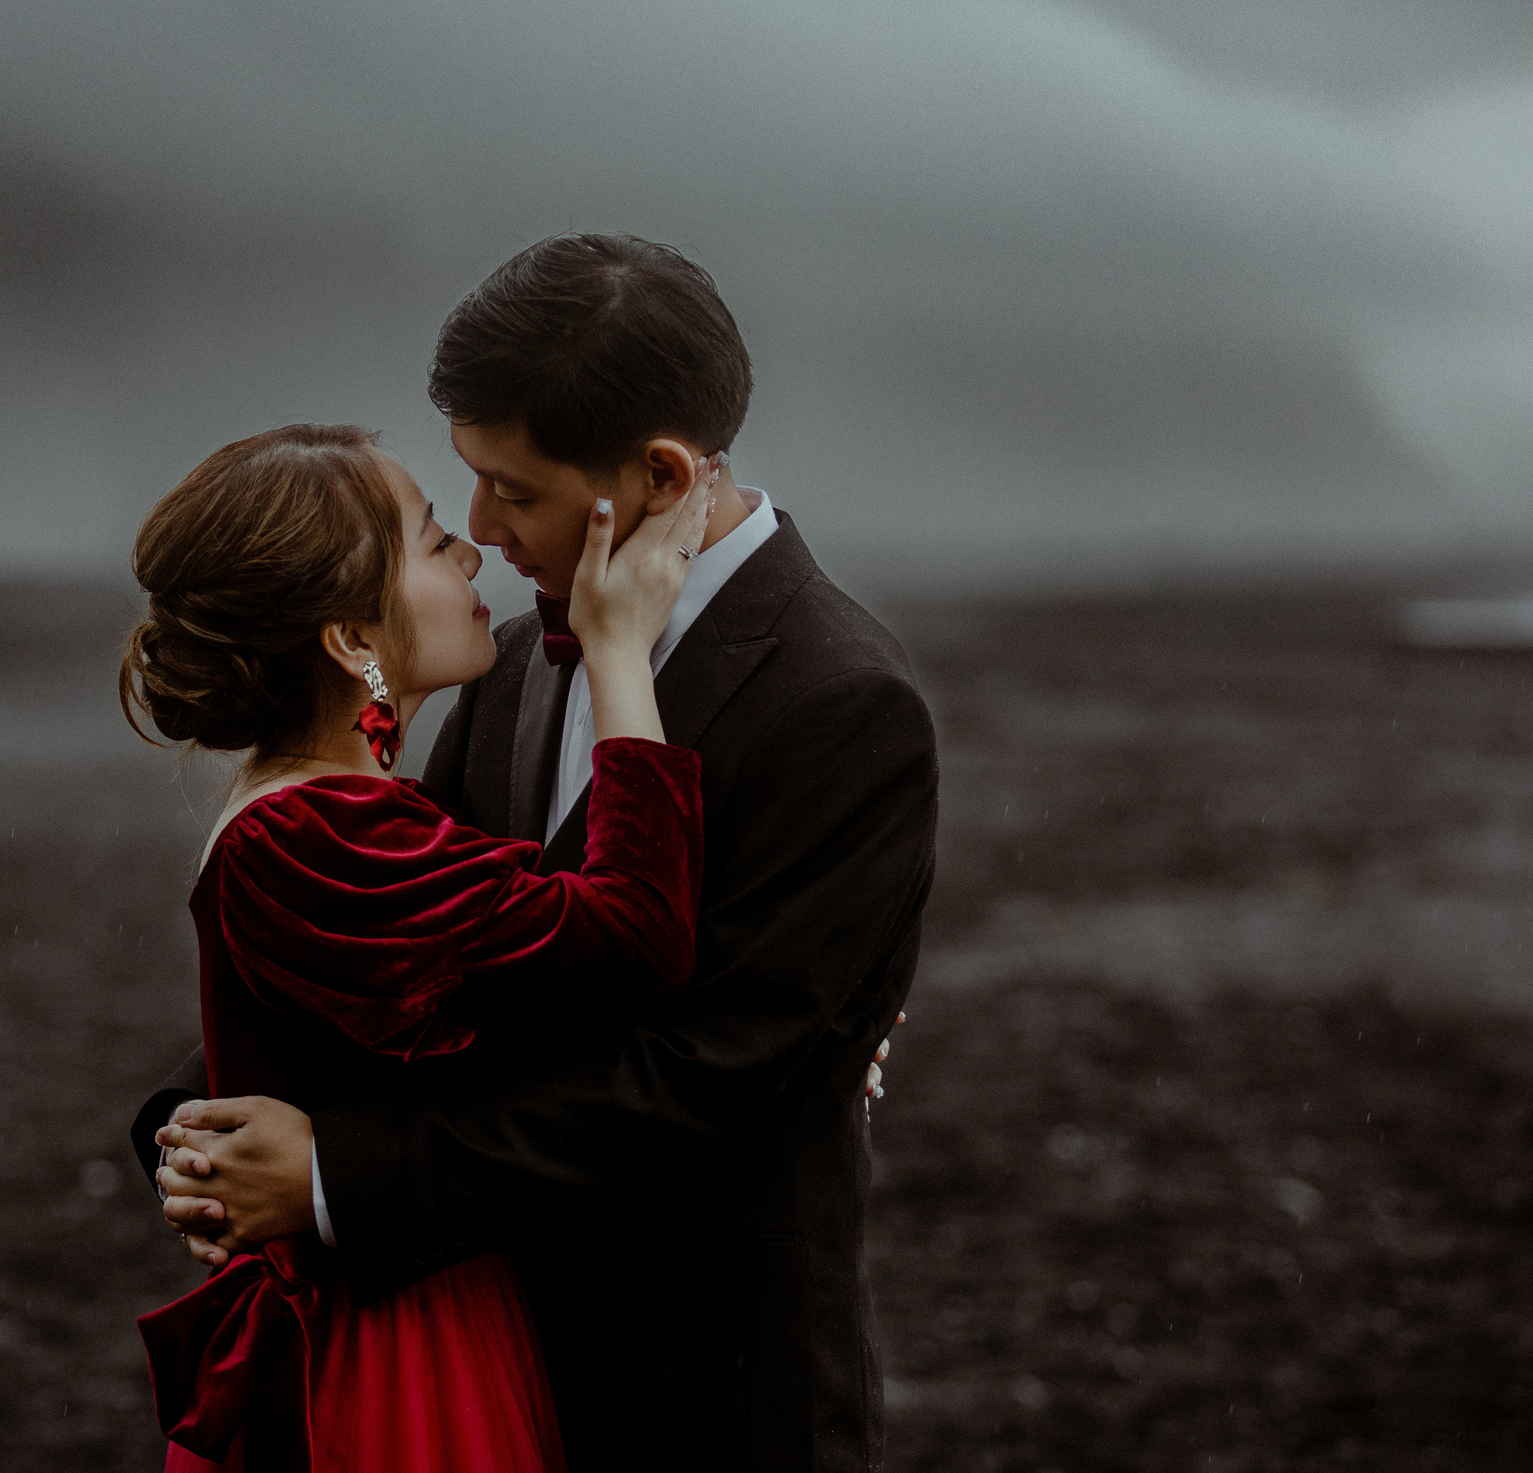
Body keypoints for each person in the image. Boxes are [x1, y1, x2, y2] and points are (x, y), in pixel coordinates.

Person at [143, 234, 940, 1473]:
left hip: (694, 1396)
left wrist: (331, 1176)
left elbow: (700, 1080)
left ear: (660, 473)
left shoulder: (844, 704)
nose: (477, 526)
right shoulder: (514, 666)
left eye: (511, 491)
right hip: (473, 1343)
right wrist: (197, 1133)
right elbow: (414, 961)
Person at [120, 420, 722, 1470]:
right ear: (351, 638)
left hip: (418, 1292)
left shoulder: (337, 810)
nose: (471, 551)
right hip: (391, 1348)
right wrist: (621, 651)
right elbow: (631, 935)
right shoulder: (315, 835)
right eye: (432, 535)